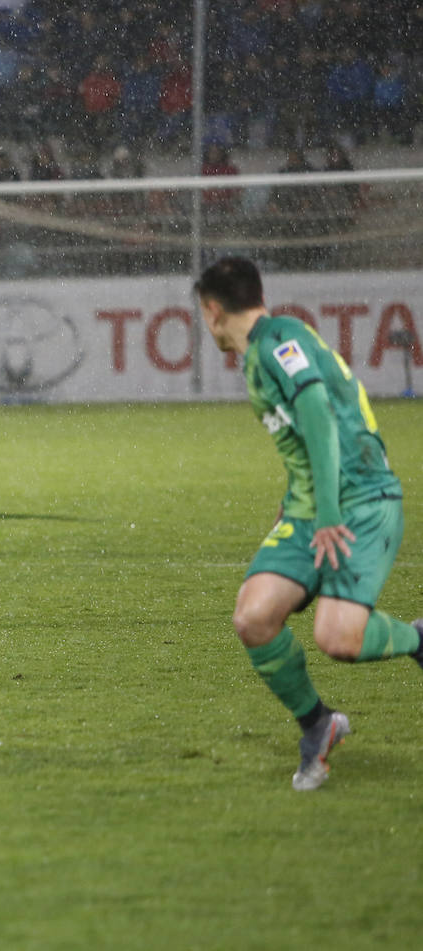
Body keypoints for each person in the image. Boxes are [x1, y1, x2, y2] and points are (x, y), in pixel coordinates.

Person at [194, 256, 422, 792]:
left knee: (338, 639)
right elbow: (303, 439)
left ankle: (415, 639)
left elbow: (318, 410)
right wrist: (294, 508)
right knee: (253, 617)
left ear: (212, 310)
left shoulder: (280, 342)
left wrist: (327, 515)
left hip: (360, 501)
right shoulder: (260, 354)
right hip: (308, 507)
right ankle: (318, 724)